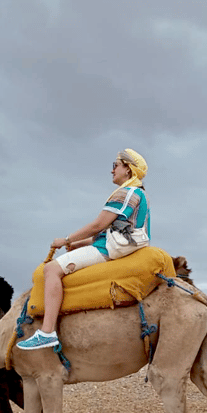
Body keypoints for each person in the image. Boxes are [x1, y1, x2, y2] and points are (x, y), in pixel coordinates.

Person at [16, 148, 150, 350]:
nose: (112, 170)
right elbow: (114, 234)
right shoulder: (138, 194)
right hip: (111, 247)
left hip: (108, 252)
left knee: (51, 269)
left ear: (128, 169)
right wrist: (80, 244)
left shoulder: (126, 193)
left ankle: (47, 332)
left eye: (116, 165)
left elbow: (98, 226)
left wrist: (66, 239)